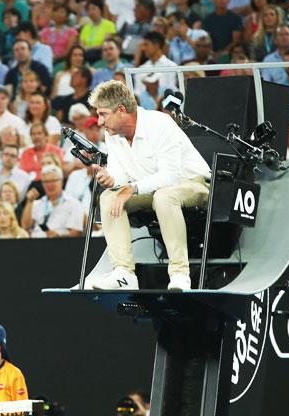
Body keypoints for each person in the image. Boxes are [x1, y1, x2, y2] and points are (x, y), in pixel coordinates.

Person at [88, 81, 210, 290]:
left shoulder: (159, 124)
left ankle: (180, 274)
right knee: (108, 197)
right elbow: (121, 173)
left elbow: (170, 176)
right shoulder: (112, 134)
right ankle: (124, 274)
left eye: (103, 114)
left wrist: (131, 189)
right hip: (151, 188)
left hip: (194, 183)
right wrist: (112, 179)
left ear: (121, 110)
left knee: (164, 196)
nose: (99, 122)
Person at [21, 165, 85, 238]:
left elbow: (76, 233)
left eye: (53, 181)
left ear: (61, 181)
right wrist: (29, 202)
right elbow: (25, 227)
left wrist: (58, 236)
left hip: (62, 245)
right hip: (36, 244)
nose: (49, 185)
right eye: (46, 181)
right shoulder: (37, 203)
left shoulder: (73, 203)